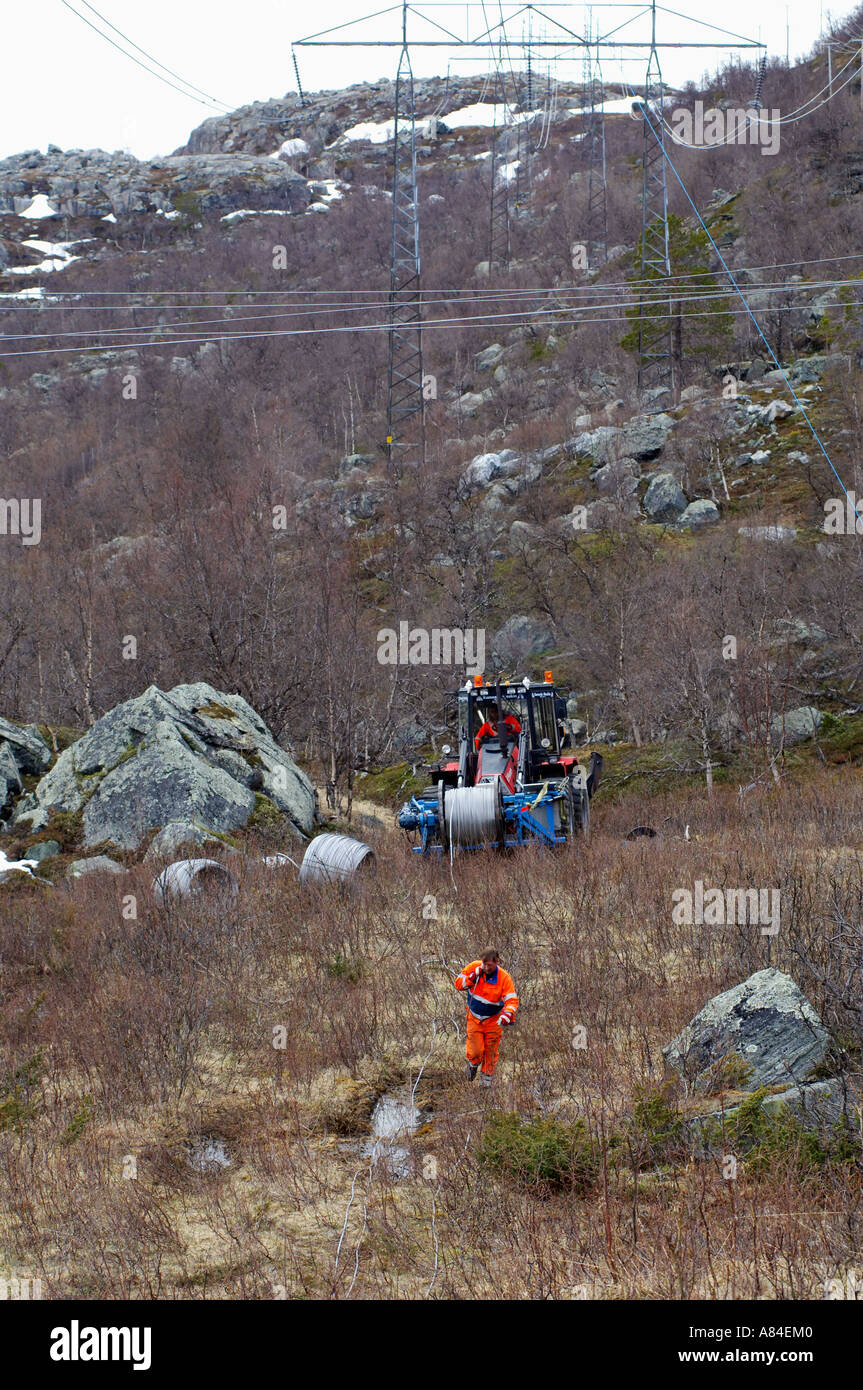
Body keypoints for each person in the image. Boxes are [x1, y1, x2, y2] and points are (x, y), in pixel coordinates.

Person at [454, 949, 519, 1086]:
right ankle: (473, 1065)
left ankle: (486, 1083)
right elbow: (458, 984)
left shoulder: (504, 978)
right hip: (474, 1018)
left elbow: (512, 1000)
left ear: (497, 962)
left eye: (489, 965)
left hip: (493, 1021)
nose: (486, 967)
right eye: (484, 964)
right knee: (476, 1050)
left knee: (491, 1051)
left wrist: (507, 1013)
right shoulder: (473, 968)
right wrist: (472, 977)